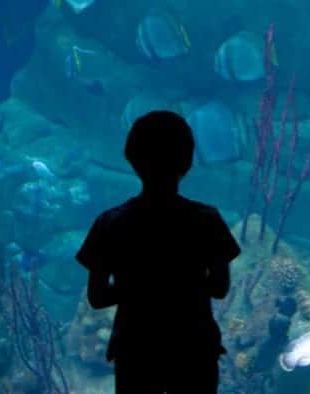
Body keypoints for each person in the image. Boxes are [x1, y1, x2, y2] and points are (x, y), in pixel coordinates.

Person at [75, 110, 241, 393]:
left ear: (131, 159)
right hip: (194, 346)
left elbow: (98, 297)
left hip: (135, 348)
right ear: (187, 162)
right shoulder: (207, 219)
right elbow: (220, 288)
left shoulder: (110, 223)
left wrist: (135, 285)